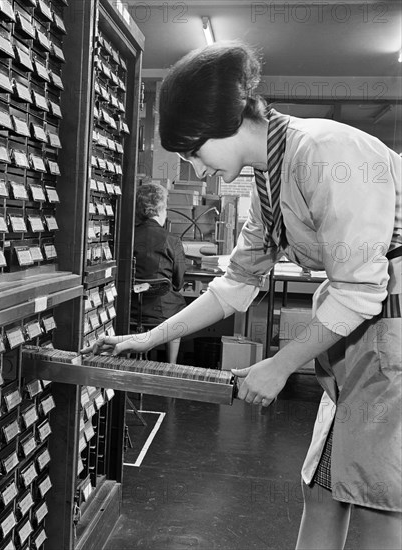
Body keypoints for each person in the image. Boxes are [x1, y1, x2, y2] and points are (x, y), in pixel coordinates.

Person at [83, 41, 401, 549]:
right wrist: (148, 340)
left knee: (379, 497)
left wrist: (278, 366)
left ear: (221, 127)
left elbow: (360, 290)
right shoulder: (269, 174)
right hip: (361, 334)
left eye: (193, 152)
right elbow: (236, 284)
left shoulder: (322, 151)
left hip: (391, 331)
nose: (198, 168)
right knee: (324, 483)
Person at [131, 182, 186, 363]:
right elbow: (178, 283)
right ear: (161, 210)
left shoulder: (127, 237)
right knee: (180, 316)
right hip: (163, 311)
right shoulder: (172, 240)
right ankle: (171, 366)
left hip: (131, 309)